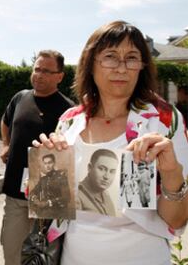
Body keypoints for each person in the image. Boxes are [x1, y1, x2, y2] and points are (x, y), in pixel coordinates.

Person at [34, 20, 188, 264]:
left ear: (142, 67)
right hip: (74, 257)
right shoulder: (69, 122)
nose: (121, 68)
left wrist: (171, 172)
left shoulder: (165, 121)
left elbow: (177, 220)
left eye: (132, 57)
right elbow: (50, 210)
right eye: (110, 56)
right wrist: (47, 170)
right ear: (91, 64)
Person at [0, 50, 74, 265]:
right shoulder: (20, 98)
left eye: (46, 71)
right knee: (11, 250)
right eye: (37, 69)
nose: (39, 75)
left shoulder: (69, 110)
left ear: (60, 76)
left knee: (43, 257)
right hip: (15, 192)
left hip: (48, 196)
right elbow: (6, 122)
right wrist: (5, 144)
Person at [77, 148, 119, 216]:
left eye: (112, 171)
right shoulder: (77, 195)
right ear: (90, 168)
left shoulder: (106, 195)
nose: (107, 176)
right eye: (101, 169)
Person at [29, 154, 71, 218]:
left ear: (54, 163)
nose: (47, 166)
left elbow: (67, 197)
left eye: (49, 163)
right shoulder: (43, 179)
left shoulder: (61, 177)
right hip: (43, 209)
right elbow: (33, 192)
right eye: (45, 163)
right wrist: (35, 200)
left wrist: (48, 203)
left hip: (57, 210)